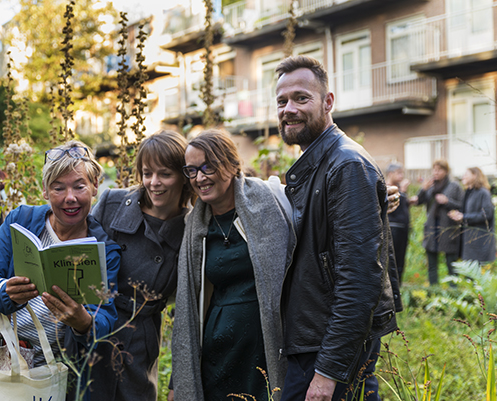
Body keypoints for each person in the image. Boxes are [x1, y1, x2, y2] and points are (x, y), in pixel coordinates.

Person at [275, 55, 400, 401]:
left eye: (302, 98)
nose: (289, 109)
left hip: (327, 352)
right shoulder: (319, 163)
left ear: (328, 101)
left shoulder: (346, 164)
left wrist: (328, 372)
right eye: (282, 101)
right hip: (315, 343)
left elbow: (361, 279)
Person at [0, 140, 121, 401]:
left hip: (49, 367)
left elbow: (106, 316)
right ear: (45, 190)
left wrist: (83, 321)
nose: (70, 197)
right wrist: (4, 289)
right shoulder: (21, 220)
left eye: (79, 186)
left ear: (95, 186)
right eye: (58, 188)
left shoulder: (104, 250)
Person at [172, 129, 291, 401]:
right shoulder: (195, 225)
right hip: (218, 353)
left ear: (232, 164)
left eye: (208, 167)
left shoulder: (270, 200)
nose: (199, 178)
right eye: (191, 171)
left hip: (265, 346)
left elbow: (321, 208)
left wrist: (379, 196)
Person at [90, 130, 192, 401]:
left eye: (165, 174)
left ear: (184, 175)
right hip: (91, 325)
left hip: (139, 338)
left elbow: (188, 313)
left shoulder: (191, 229)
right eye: (147, 173)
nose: (154, 183)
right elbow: (78, 255)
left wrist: (177, 381)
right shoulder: (112, 203)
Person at [410, 159, 463, 285]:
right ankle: (434, 290)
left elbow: (462, 205)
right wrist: (423, 189)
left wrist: (447, 201)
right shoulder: (430, 186)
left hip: (448, 228)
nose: (436, 172)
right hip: (432, 227)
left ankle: (453, 290)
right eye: (434, 169)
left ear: (446, 171)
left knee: (451, 262)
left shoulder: (454, 186)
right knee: (432, 264)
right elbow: (418, 201)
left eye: (439, 170)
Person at [448, 167, 495, 264]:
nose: (463, 176)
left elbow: (487, 214)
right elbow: (466, 211)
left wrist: (464, 217)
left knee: (477, 273)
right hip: (469, 240)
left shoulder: (483, 192)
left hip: (479, 241)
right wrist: (458, 215)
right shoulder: (468, 192)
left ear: (475, 175)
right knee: (469, 272)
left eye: (466, 174)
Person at [386, 163, 410, 284]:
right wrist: (403, 192)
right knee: (393, 260)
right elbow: (395, 208)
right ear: (391, 174)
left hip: (402, 229)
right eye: (398, 173)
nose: (401, 176)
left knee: (401, 259)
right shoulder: (388, 188)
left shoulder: (398, 188)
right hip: (393, 228)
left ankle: (398, 285)